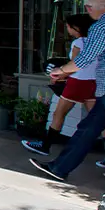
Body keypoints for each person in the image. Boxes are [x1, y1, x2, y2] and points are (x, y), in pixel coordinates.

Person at [30, 0, 105, 183]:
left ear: (89, 8)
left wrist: (60, 70)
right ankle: (59, 167)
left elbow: (84, 59)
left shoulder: (102, 27)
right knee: (88, 128)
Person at [23, 14, 96, 156]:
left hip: (77, 82)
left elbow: (75, 65)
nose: (67, 29)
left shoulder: (78, 43)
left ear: (76, 28)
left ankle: (45, 145)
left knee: (59, 114)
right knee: (96, 118)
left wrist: (60, 75)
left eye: (68, 26)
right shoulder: (94, 42)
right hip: (92, 82)